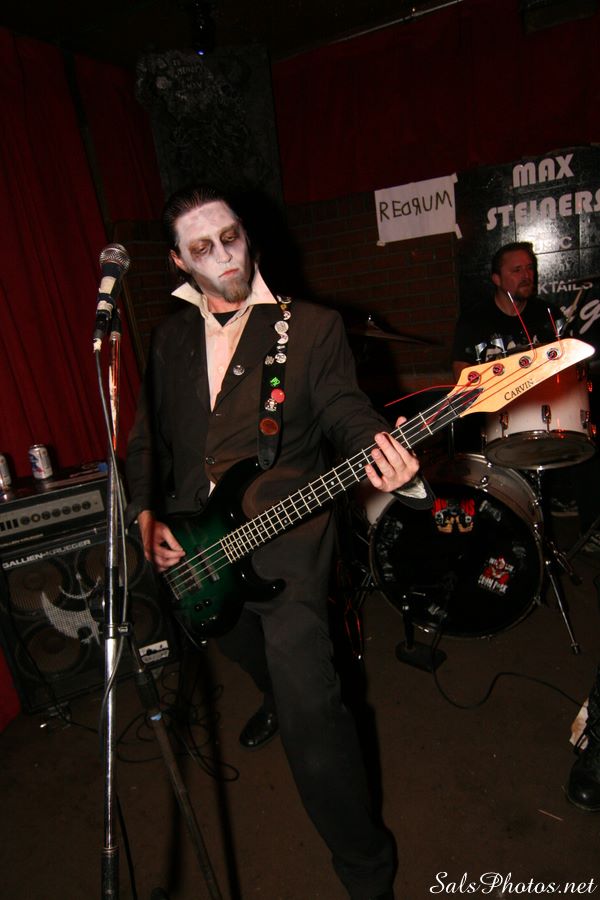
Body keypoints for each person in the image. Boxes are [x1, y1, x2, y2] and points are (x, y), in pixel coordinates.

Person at [125, 184, 433, 899]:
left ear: (247, 234)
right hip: (196, 548)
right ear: (179, 261)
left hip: (287, 543)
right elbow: (146, 441)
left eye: (230, 236)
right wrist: (144, 515)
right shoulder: (169, 339)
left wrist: (382, 449)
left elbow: (347, 410)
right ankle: (268, 690)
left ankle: (368, 873)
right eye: (203, 247)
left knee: (313, 719)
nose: (224, 255)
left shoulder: (311, 327)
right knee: (231, 638)